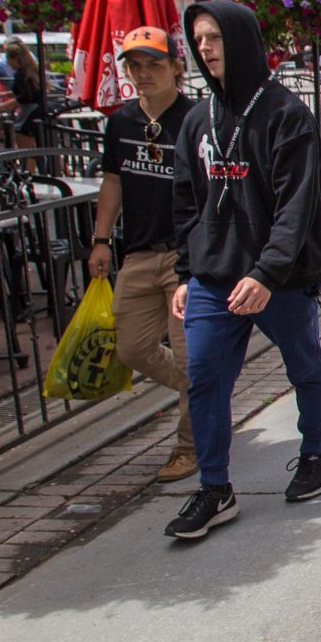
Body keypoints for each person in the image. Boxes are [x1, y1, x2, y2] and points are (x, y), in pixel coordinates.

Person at [165, 1, 321, 541]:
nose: (206, 48)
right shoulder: (197, 119)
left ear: (241, 39)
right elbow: (186, 201)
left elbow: (297, 204)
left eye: (215, 36)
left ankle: (314, 453)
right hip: (214, 279)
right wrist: (185, 272)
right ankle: (215, 487)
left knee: (304, 366)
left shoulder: (287, 115)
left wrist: (266, 273)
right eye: (198, 39)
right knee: (205, 380)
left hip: (279, 279)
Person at [90, 26, 199, 485]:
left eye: (154, 64)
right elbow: (113, 180)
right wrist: (100, 239)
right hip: (137, 252)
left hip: (184, 256)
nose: (143, 73)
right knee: (131, 347)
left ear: (176, 66)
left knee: (190, 355)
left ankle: (190, 445)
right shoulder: (121, 122)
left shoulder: (197, 119)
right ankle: (205, 397)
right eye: (135, 65)